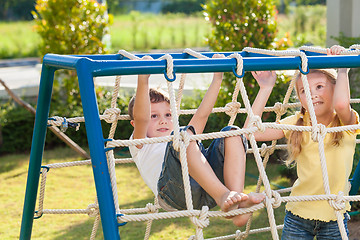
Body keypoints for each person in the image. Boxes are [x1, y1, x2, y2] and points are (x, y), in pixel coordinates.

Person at [128, 54, 265, 227]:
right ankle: (224, 196)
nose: (163, 120)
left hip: (205, 188)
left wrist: (217, 78)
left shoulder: (182, 138)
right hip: (173, 194)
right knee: (184, 137)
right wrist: (143, 79)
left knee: (233, 134)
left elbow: (202, 115)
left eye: (168, 115)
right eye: (154, 116)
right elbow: (141, 119)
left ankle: (237, 206)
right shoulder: (140, 143)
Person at [245, 45, 359, 239]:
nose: (312, 93)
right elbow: (251, 132)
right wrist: (266, 88)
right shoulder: (298, 123)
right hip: (298, 215)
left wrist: (342, 69)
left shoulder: (345, 123)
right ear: (300, 98)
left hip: (334, 215)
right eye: (304, 90)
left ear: (335, 88)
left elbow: (341, 104)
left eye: (319, 87)